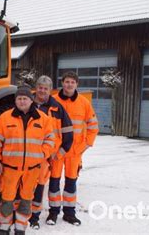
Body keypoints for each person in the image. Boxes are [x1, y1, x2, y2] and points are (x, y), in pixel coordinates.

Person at [0, 85, 55, 235]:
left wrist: (42, 154)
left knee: (26, 200)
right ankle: (4, 227)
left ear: (31, 100)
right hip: (10, 168)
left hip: (32, 169)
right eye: (19, 98)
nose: (22, 101)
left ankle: (20, 227)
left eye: (25, 98)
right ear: (15, 101)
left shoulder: (43, 119)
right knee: (7, 199)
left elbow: (51, 140)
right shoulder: (5, 117)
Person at [48, 71, 99, 226]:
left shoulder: (84, 103)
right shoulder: (53, 101)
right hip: (57, 151)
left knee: (71, 183)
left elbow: (93, 126)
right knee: (54, 183)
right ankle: (53, 213)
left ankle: (69, 213)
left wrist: (85, 145)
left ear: (77, 84)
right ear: (62, 83)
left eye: (72, 82)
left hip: (75, 152)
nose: (69, 84)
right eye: (67, 81)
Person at [29, 75, 74, 230]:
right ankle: (23, 215)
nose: (42, 91)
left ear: (50, 90)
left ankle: (35, 216)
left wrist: (57, 154)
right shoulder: (27, 104)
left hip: (47, 157)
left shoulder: (57, 108)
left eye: (45, 88)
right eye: (40, 87)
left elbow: (68, 134)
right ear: (36, 88)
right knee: (26, 186)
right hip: (28, 155)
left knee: (41, 185)